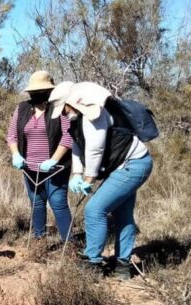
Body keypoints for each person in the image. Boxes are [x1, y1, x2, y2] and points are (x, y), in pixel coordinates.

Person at [49, 82, 153, 279]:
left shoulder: (93, 116)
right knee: (122, 213)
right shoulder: (77, 120)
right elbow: (78, 148)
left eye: (63, 108)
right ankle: (123, 265)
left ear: (70, 103)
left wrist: (89, 178)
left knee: (94, 209)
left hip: (133, 164)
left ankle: (92, 262)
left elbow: (94, 149)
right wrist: (77, 175)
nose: (62, 114)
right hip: (125, 166)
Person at [6, 71, 73, 242]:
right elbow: (12, 135)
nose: (37, 94)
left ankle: (69, 243)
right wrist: (16, 155)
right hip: (29, 168)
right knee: (36, 203)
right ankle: (39, 240)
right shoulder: (22, 108)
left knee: (58, 203)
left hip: (56, 168)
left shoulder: (58, 108)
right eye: (35, 91)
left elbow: (68, 136)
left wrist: (54, 160)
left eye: (42, 90)